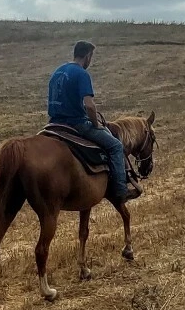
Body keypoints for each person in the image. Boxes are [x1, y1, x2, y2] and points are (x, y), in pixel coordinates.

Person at [47, 40, 141, 202]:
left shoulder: (57, 72)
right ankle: (121, 191)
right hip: (75, 124)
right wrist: (95, 124)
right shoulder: (81, 74)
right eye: (91, 56)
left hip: (53, 124)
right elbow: (89, 105)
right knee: (115, 146)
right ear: (88, 56)